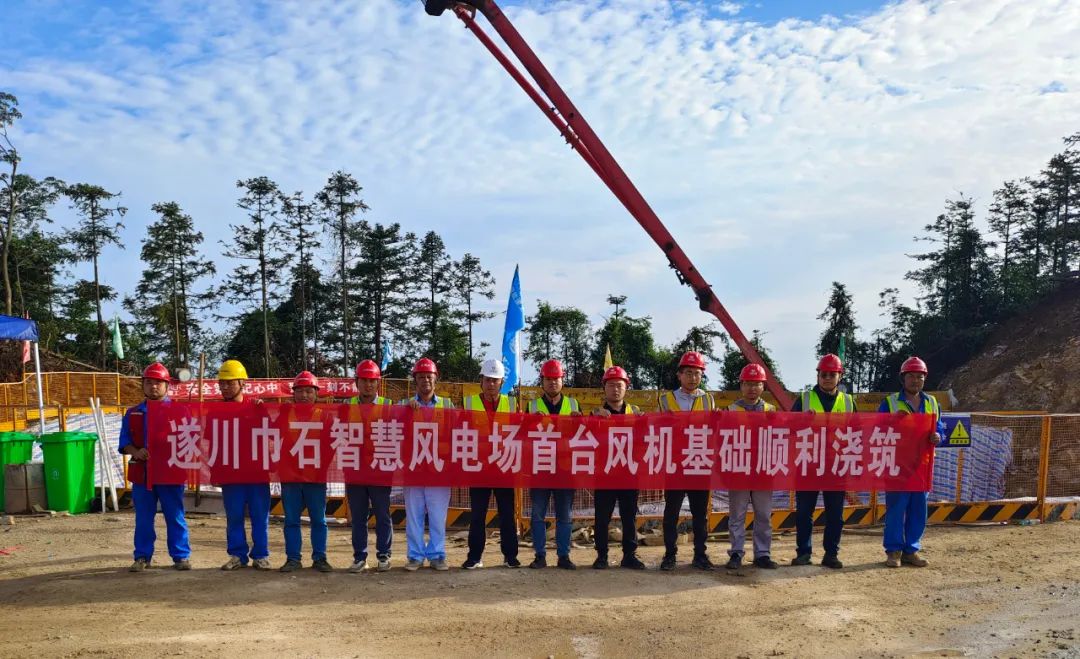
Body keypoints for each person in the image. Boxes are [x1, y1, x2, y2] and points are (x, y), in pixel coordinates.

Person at [119, 363, 191, 572]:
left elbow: (190, 439)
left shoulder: (179, 411)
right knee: (143, 518)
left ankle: (180, 556)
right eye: (149, 382)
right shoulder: (133, 414)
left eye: (158, 383)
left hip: (170, 473)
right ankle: (142, 556)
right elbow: (125, 442)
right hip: (143, 475)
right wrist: (136, 451)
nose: (153, 387)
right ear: (143, 385)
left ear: (167, 386)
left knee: (175, 515)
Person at [790, 353, 856, 570]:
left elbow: (857, 432)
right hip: (808, 463)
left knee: (835, 515)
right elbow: (789, 429)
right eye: (824, 374)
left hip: (836, 466)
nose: (827, 378)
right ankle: (803, 553)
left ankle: (831, 554)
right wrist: (801, 421)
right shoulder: (804, 399)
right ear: (818, 375)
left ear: (840, 376)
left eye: (832, 374)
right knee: (804, 514)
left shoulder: (848, 402)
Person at [878, 356, 945, 569]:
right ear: (903, 378)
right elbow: (878, 429)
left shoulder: (932, 402)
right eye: (911, 376)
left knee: (918, 508)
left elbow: (940, 427)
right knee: (896, 508)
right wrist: (892, 421)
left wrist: (938, 436)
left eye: (920, 376)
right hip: (897, 464)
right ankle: (894, 551)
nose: (915, 380)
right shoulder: (889, 403)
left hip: (922, 465)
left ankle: (911, 550)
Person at [658, 350, 716, 571]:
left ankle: (700, 555)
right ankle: (670, 555)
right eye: (688, 373)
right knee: (671, 511)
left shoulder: (708, 400)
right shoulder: (665, 400)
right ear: (679, 375)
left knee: (700, 513)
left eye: (697, 373)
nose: (693, 377)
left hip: (699, 463)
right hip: (675, 464)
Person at [461, 358, 521, 569]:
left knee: (507, 514)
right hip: (479, 467)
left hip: (504, 466)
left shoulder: (511, 403)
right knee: (477, 514)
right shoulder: (469, 403)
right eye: (488, 380)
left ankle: (510, 556)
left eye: (495, 380)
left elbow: (521, 432)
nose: (491, 384)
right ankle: (475, 556)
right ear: (481, 381)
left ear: (502, 382)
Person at [217, 359, 273, 571]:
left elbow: (272, 433)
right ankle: (237, 555)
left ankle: (260, 555)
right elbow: (213, 443)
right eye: (222, 383)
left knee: (260, 516)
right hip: (231, 475)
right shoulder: (216, 411)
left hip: (257, 473)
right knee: (234, 517)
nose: (224, 387)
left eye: (229, 383)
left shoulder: (257, 407)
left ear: (242, 383)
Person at [527, 359, 582, 570]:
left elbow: (583, 435)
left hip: (565, 469)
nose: (552, 383)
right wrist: (529, 421)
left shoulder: (574, 405)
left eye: (556, 379)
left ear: (562, 381)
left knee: (565, 515)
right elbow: (522, 435)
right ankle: (539, 555)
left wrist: (581, 420)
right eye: (548, 379)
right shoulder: (532, 406)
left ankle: (563, 556)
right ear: (542, 381)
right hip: (540, 467)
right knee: (538, 514)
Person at [401, 358, 454, 572]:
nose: (425, 381)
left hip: (438, 471)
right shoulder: (403, 406)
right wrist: (406, 411)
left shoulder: (447, 406)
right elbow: (395, 432)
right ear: (415, 380)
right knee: (413, 514)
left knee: (437, 515)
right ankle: (415, 556)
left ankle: (437, 554)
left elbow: (456, 434)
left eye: (429, 377)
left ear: (435, 380)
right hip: (413, 470)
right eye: (421, 377)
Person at [590, 365, 645, 570]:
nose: (615, 389)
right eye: (611, 385)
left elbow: (646, 440)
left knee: (629, 517)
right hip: (605, 474)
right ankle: (601, 556)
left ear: (626, 388)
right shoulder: (596, 415)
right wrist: (595, 418)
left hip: (629, 473)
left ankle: (629, 555)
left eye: (619, 385)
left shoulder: (636, 413)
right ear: (604, 388)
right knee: (602, 517)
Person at [725, 363, 779, 570]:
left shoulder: (770, 411)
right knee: (737, 514)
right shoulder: (730, 410)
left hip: (763, 470)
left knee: (764, 514)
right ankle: (736, 552)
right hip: (738, 469)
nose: (752, 388)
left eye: (756, 384)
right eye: (748, 383)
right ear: (741, 385)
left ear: (763, 387)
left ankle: (762, 554)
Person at [278, 371, 332, 573]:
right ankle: (293, 559)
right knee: (291, 520)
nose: (304, 395)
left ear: (316, 393)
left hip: (315, 478)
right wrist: (260, 408)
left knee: (319, 520)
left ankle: (320, 558)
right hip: (290, 478)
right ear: (293, 393)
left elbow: (331, 445)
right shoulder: (285, 413)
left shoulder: (324, 416)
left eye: (309, 391)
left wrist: (321, 469)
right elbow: (269, 433)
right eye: (299, 391)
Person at [345, 359, 394, 573]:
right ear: (357, 382)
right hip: (354, 470)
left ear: (378, 383)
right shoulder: (346, 407)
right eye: (364, 381)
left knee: (382, 514)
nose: (368, 385)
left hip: (380, 469)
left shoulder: (389, 406)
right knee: (358, 517)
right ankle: (360, 557)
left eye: (372, 381)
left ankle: (384, 554)